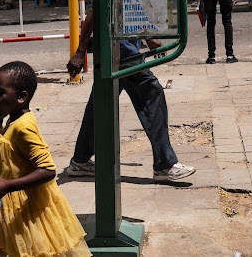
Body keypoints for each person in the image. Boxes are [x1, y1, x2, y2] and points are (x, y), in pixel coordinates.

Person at [66, 9, 195, 181]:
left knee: (101, 101)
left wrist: (148, 37)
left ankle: (80, 160)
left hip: (122, 43)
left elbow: (131, 7)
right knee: (151, 91)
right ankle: (165, 164)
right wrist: (80, 51)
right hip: (118, 45)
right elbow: (94, 12)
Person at [0, 62, 91, 257]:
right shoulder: (10, 122)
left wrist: (7, 185)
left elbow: (48, 170)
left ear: (21, 97)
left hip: (28, 213)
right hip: (10, 210)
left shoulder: (24, 127)